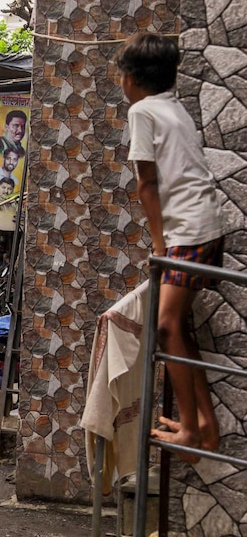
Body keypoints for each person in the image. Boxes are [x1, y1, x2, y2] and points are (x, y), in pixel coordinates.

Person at [117, 32, 226, 460]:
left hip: (188, 232)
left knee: (165, 326)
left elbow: (147, 185)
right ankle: (203, 427)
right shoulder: (173, 106)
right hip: (204, 226)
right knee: (178, 327)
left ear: (132, 78)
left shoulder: (143, 111)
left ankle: (193, 435)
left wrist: (159, 246)